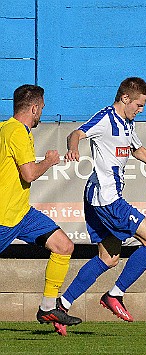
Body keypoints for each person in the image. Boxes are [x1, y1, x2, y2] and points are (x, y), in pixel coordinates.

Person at [58, 77, 146, 333]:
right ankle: (115, 295)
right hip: (108, 200)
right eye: (138, 105)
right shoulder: (105, 118)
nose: (140, 110)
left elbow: (138, 150)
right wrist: (73, 148)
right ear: (125, 98)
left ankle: (61, 306)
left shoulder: (127, 123)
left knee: (108, 258)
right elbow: (76, 133)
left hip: (99, 197)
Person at [0, 84, 82, 335]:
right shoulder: (16, 132)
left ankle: (48, 306)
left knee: (64, 246)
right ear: (34, 108)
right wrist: (49, 161)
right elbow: (29, 173)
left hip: (21, 213)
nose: (42, 113)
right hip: (5, 216)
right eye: (42, 108)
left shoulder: (7, 129)